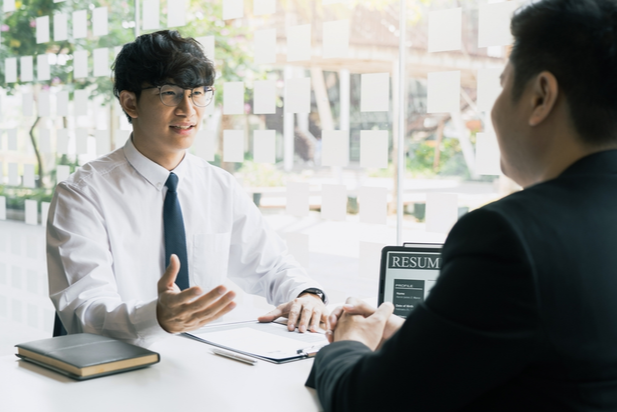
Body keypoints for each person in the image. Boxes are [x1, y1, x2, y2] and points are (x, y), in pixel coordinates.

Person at [306, 0, 617, 410]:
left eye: (504, 85)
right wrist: (414, 338)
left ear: (541, 96)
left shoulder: (510, 235)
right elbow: (562, 358)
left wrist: (347, 344)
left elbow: (368, 401)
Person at [47, 30, 327, 347]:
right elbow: (84, 308)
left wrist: (306, 294)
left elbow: (271, 264)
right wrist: (156, 317)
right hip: (118, 368)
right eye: (170, 93)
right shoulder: (82, 194)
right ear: (130, 102)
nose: (188, 109)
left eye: (198, 93)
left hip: (203, 364)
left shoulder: (218, 185)